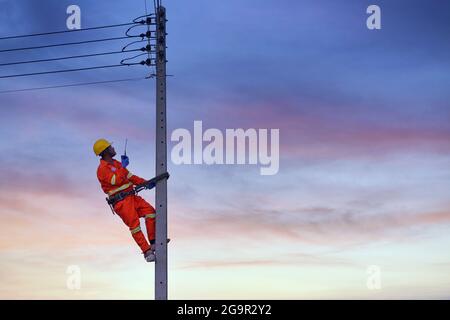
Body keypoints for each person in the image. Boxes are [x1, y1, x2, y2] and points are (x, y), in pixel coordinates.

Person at [93, 138, 166, 262]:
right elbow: (115, 180)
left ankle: (153, 242)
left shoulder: (116, 164)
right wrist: (122, 167)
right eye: (110, 147)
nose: (113, 148)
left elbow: (130, 177)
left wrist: (146, 183)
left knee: (150, 212)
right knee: (135, 226)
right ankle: (147, 252)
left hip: (132, 196)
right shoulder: (102, 169)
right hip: (121, 202)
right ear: (105, 151)